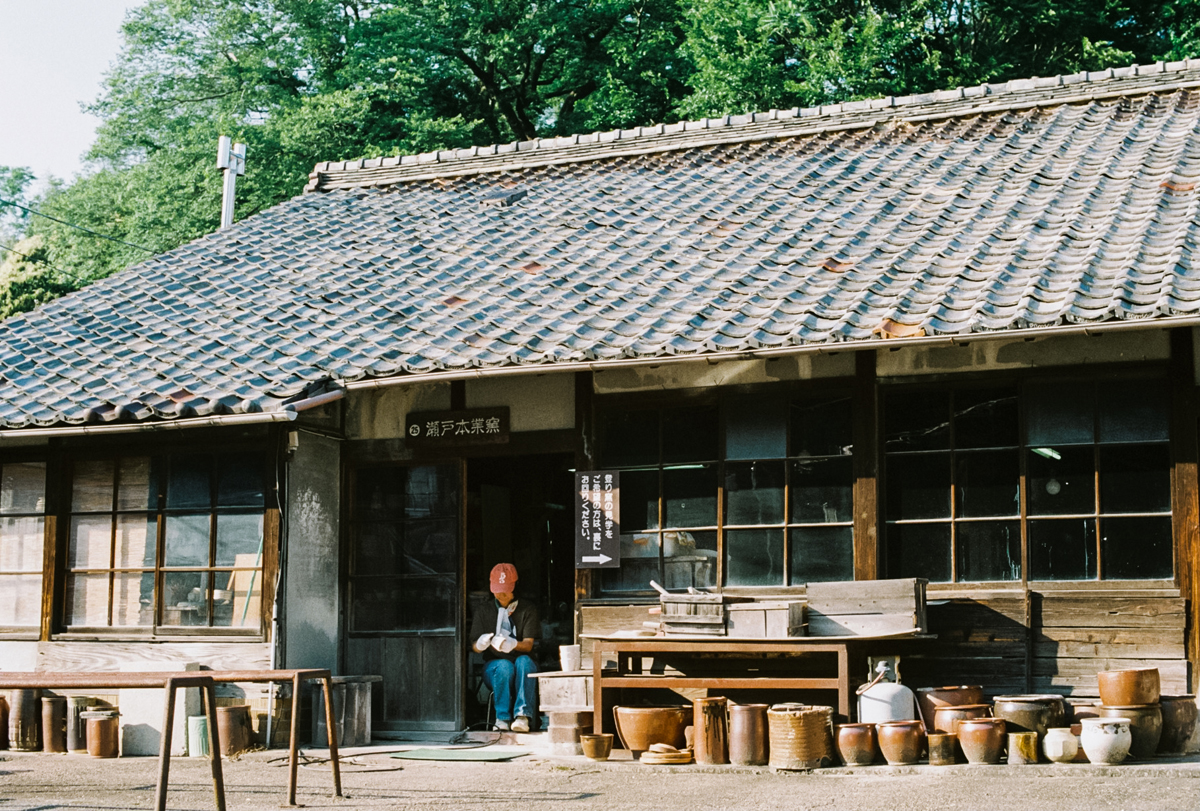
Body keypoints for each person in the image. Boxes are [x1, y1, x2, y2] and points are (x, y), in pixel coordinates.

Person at [470, 562, 540, 732]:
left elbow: (529, 644)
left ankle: (522, 717)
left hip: (522, 664)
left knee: (524, 661)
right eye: (497, 589)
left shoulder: (527, 609)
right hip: (495, 667)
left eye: (505, 589)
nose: (500, 593)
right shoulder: (483, 610)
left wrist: (513, 644)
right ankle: (502, 718)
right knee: (504, 666)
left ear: (515, 587)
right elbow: (473, 647)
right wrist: (480, 644)